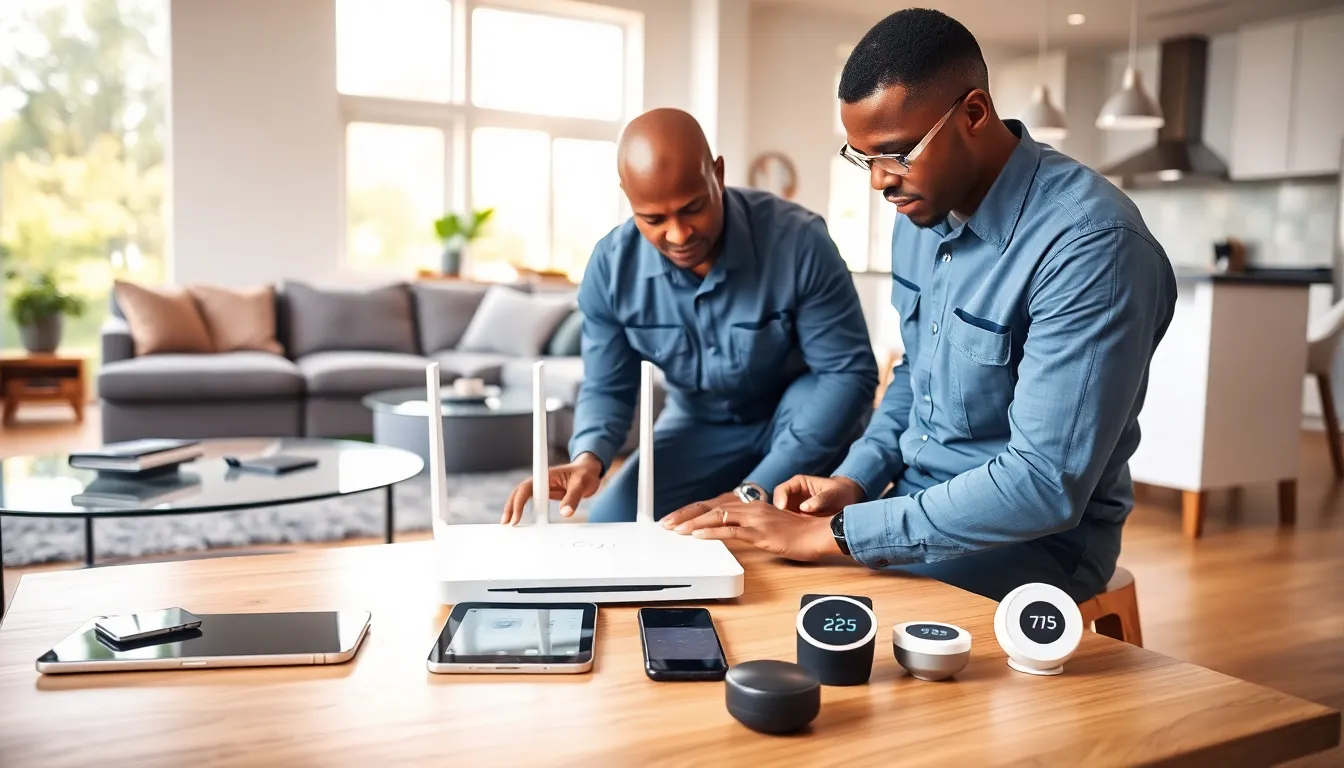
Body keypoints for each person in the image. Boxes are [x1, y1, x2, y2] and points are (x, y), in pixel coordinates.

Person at [661, 9, 1177, 603]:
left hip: (1037, 542)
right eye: (864, 159)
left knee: (817, 606)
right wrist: (855, 480)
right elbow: (914, 376)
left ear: (974, 115)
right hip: (912, 501)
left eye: (897, 153)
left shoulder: (1092, 245)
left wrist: (837, 536)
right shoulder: (919, 214)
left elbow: (1042, 486)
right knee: (755, 579)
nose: (880, 181)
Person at [502, 108, 878, 525]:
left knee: (778, 533)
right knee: (615, 519)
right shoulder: (610, 269)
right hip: (700, 422)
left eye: (693, 208)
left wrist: (753, 491)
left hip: (804, 416)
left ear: (717, 175)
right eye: (654, 219)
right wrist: (589, 458)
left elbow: (847, 374)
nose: (679, 235)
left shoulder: (800, 241)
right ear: (628, 196)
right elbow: (608, 385)